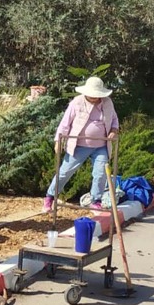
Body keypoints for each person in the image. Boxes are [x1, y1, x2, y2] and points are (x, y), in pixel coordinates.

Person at [44, 76, 120, 211]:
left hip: (101, 145)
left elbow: (114, 119)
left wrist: (114, 130)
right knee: (65, 172)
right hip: (79, 145)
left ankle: (95, 200)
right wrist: (58, 141)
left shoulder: (108, 103)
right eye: (91, 94)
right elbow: (65, 123)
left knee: (101, 173)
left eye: (96, 95)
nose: (93, 97)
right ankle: (50, 197)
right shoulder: (77, 102)